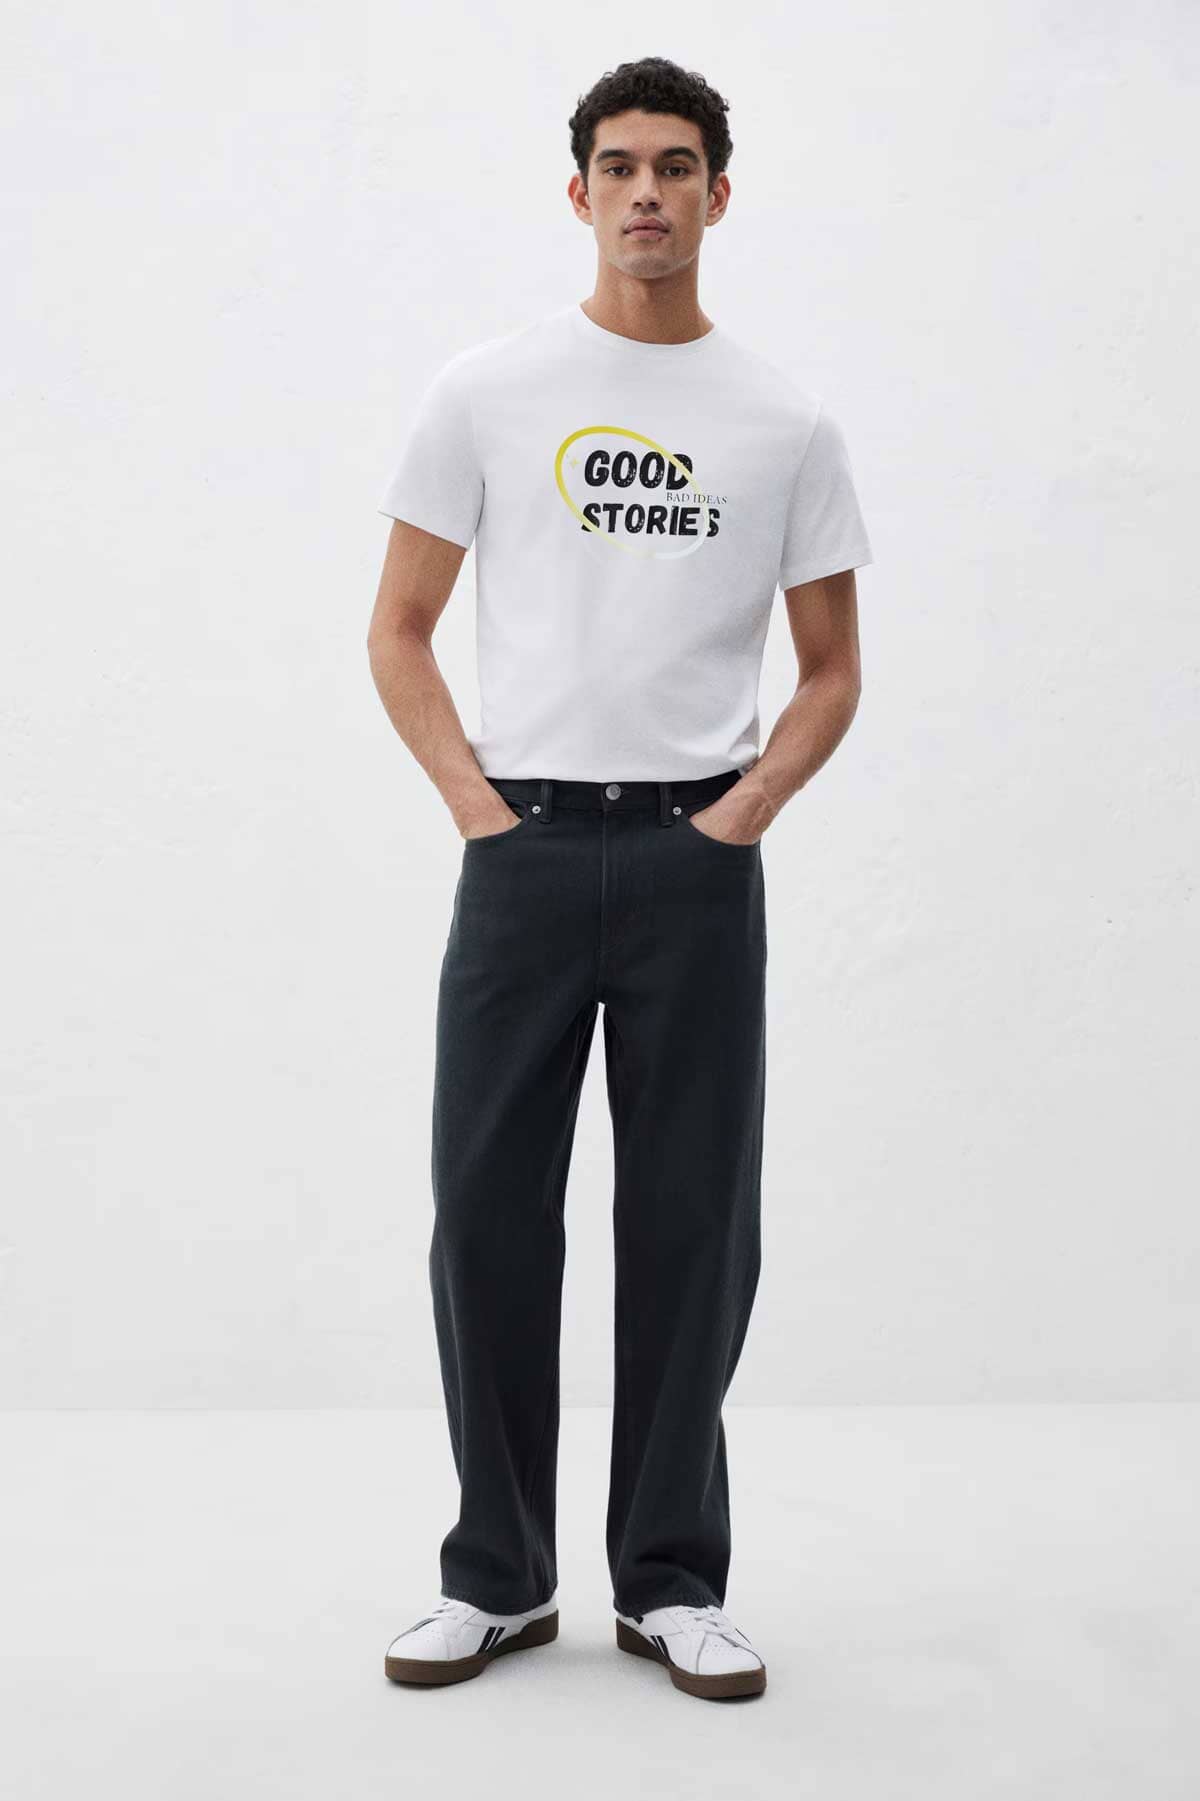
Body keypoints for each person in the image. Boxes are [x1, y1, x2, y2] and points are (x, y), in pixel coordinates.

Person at [368, 56, 872, 1703]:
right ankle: (499, 1576)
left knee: (691, 1222)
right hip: (520, 851)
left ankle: (669, 1581)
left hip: (692, 862)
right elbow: (400, 628)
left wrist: (741, 815)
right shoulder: (487, 394)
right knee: (485, 1218)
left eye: (675, 165)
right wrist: (478, 809)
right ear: (577, 192)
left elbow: (831, 669)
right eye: (618, 165)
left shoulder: (784, 422)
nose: (646, 191)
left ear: (720, 192)